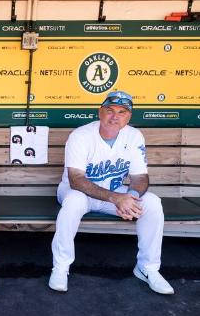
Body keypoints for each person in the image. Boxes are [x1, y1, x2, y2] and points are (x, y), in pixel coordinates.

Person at [48, 90, 174, 295]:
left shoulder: (134, 136)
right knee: (73, 203)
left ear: (129, 116)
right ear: (100, 112)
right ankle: (61, 267)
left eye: (122, 112)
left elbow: (140, 177)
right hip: (78, 193)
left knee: (152, 203)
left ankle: (147, 268)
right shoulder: (80, 135)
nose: (115, 117)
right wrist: (117, 198)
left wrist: (130, 198)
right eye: (110, 110)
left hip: (115, 195)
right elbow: (76, 180)